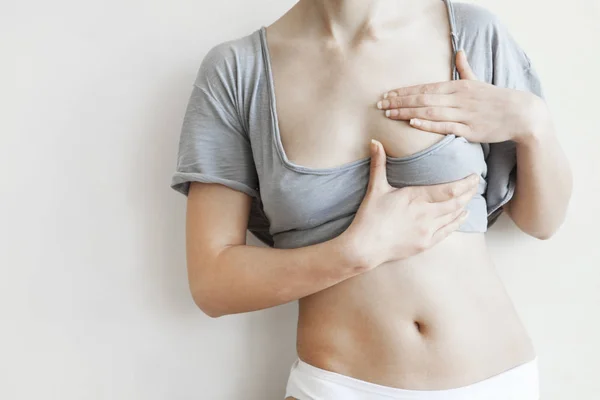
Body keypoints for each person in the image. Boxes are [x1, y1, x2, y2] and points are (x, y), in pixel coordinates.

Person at [170, 0, 572, 398]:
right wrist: (354, 252)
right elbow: (212, 283)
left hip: (494, 380)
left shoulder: (470, 33)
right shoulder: (237, 71)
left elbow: (541, 221)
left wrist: (533, 123)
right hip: (338, 386)